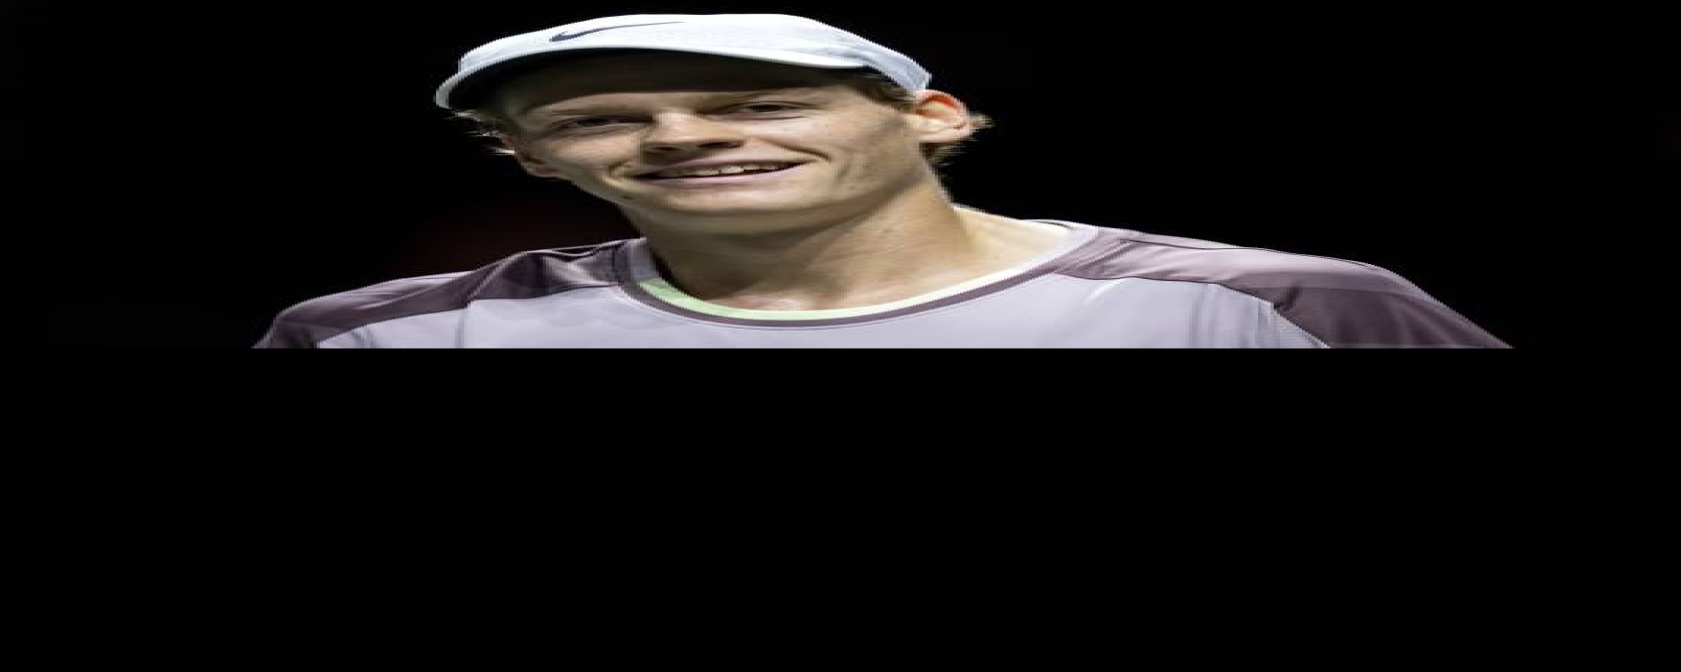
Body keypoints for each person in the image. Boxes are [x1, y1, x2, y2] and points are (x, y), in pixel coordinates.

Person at [254, 13, 1509, 348]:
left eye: (761, 104)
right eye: (603, 118)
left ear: (933, 118)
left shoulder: (1284, 311)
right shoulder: (383, 337)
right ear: (531, 156)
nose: (682, 136)